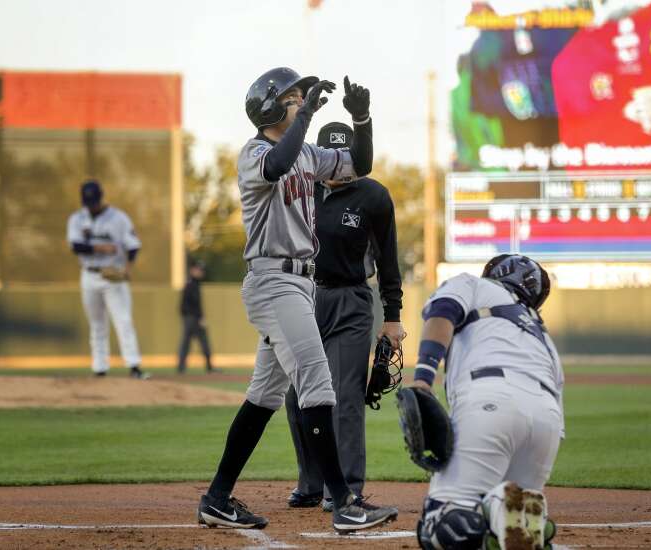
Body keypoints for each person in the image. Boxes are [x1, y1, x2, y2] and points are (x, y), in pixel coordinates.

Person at [196, 67, 398, 533]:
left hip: (300, 286)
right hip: (273, 280)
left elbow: (359, 164)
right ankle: (345, 503)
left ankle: (217, 498)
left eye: (300, 98)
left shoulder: (306, 151)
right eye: (291, 98)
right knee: (317, 384)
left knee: (264, 396)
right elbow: (278, 165)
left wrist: (362, 119)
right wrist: (306, 115)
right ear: (268, 107)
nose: (300, 102)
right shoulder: (256, 152)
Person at [285, 121, 405, 512]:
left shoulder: (373, 196)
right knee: (294, 395)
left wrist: (393, 316)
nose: (340, 169)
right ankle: (313, 482)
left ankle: (347, 489)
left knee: (346, 397)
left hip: (351, 301)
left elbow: (388, 260)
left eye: (347, 159)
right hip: (302, 296)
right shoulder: (300, 189)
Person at [411, 254, 563, 550]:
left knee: (445, 525)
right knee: (505, 534)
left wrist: (422, 378)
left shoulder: (472, 284)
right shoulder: (542, 335)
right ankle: (512, 513)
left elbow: (443, 311)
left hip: (489, 398)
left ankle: (501, 508)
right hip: (547, 421)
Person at [66, 179, 149, 379]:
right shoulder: (78, 218)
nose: (91, 205)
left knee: (123, 320)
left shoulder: (118, 218)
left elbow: (133, 246)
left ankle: (134, 366)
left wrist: (128, 268)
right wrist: (100, 247)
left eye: (94, 201)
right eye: (88, 202)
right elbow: (75, 246)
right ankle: (99, 367)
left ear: (100, 198)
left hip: (113, 275)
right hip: (89, 274)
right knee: (96, 323)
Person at [177, 259, 218, 374]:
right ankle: (183, 367)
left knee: (193, 342)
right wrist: (198, 318)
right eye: (199, 269)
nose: (201, 272)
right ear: (193, 270)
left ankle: (183, 367)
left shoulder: (194, 284)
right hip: (191, 318)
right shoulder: (190, 284)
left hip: (191, 318)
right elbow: (187, 305)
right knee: (191, 342)